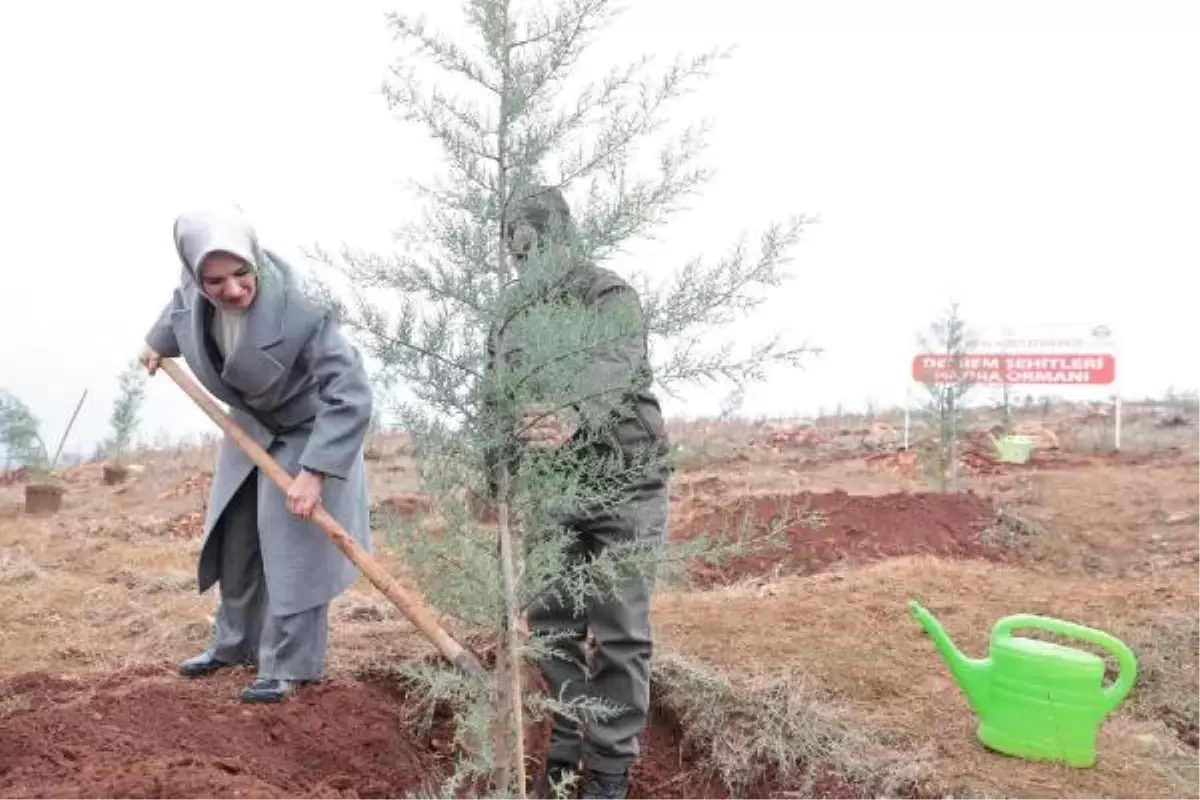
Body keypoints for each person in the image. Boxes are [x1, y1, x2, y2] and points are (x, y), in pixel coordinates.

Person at [139, 208, 374, 704]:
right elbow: (178, 312)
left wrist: (315, 472)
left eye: (242, 274)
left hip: (311, 431)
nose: (232, 290)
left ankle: (290, 665)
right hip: (251, 427)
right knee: (237, 534)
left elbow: (350, 392)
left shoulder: (302, 308)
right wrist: (155, 344)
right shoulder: (193, 291)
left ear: (256, 262)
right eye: (216, 280)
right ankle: (234, 643)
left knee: (295, 548)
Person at [486, 187, 671, 800]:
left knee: (619, 631)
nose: (526, 257)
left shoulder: (608, 293)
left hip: (625, 480)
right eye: (516, 247)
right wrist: (498, 478)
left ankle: (609, 777)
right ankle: (562, 764)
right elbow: (497, 399)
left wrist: (572, 407)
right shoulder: (509, 314)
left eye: (535, 242)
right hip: (550, 491)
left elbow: (615, 362)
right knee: (552, 627)